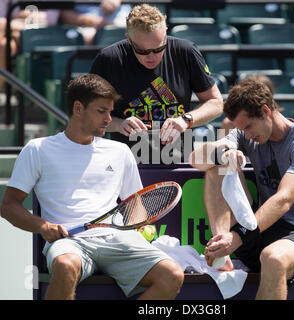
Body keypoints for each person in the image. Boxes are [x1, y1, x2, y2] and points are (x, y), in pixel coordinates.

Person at [0, 74, 184, 300]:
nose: (109, 118)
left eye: (110, 111)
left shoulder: (120, 152)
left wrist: (140, 225)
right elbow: (8, 206)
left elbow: (137, 209)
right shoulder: (38, 150)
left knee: (172, 275)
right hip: (69, 243)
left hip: (117, 240)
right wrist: (43, 225)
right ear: (78, 108)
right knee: (66, 266)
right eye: (101, 111)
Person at [189, 78, 294, 300]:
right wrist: (223, 153)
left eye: (248, 127)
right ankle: (221, 249)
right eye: (240, 129)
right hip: (260, 230)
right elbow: (195, 160)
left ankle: (229, 242)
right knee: (215, 166)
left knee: (274, 258)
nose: (245, 135)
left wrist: (238, 237)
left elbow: (283, 200)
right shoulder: (245, 135)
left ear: (266, 111)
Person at [90, 4, 223, 163]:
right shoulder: (109, 59)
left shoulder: (185, 51)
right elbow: (89, 113)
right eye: (142, 51)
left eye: (159, 48)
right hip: (127, 162)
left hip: (178, 159)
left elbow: (216, 103)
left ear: (166, 31)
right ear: (128, 39)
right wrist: (118, 124)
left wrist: (185, 120)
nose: (151, 57)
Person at [0, 1, 59, 90]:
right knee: (3, 45)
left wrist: (16, 20)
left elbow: (50, 19)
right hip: (12, 34)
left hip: (45, 36)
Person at [59, 0, 131, 45]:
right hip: (86, 29)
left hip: (123, 24)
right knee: (87, 36)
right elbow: (65, 15)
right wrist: (91, 21)